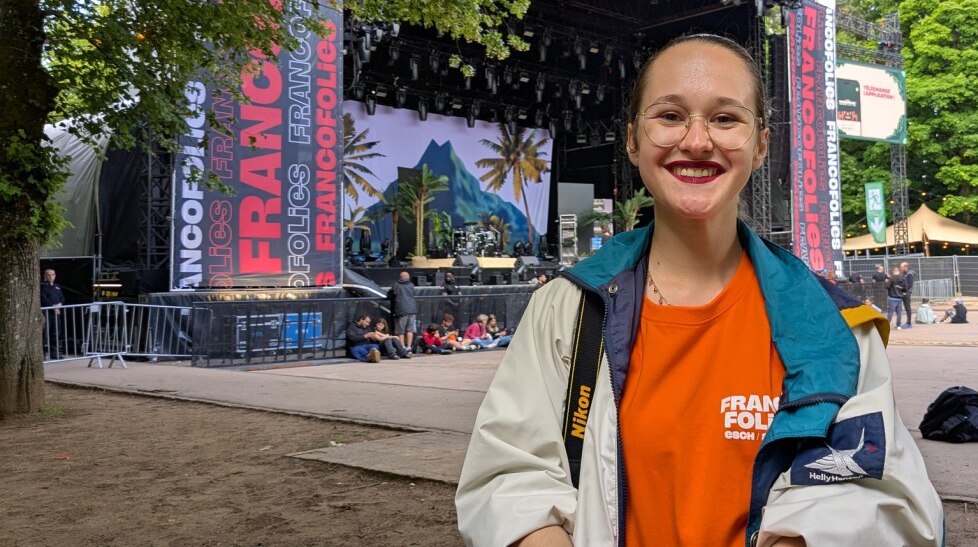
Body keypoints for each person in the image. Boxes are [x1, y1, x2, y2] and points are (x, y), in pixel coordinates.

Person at [456, 33, 943, 546]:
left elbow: (883, 496)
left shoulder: (835, 329)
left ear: (760, 145)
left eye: (725, 118)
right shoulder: (567, 309)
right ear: (632, 140)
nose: (696, 141)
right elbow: (508, 479)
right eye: (669, 116)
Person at [391, 271, 419, 352]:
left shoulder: (396, 285)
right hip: (412, 310)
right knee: (410, 330)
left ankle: (402, 347)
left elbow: (392, 294)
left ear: (400, 277)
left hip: (401, 310)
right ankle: (409, 347)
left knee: (401, 330)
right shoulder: (411, 285)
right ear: (408, 277)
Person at [40, 267, 65, 360]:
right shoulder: (42, 286)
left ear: (55, 276)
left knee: (56, 333)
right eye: (48, 275)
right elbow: (43, 298)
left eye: (52, 275)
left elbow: (62, 297)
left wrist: (59, 304)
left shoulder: (57, 286)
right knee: (44, 334)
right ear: (45, 276)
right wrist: (52, 307)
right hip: (46, 313)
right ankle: (42, 354)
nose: (50, 277)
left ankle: (54, 353)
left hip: (56, 313)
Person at [899, 261, 916, 326]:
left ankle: (909, 323)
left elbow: (910, 285)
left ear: (905, 267)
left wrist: (905, 292)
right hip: (903, 292)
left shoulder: (909, 274)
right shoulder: (903, 274)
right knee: (905, 308)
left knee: (908, 308)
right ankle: (904, 322)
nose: (900, 268)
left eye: (901, 267)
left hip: (907, 293)